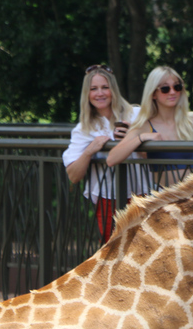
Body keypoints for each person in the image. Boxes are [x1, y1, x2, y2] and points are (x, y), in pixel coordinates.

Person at [62, 64, 149, 244]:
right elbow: (73, 175)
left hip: (144, 195)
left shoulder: (137, 114)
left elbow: (155, 156)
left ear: (113, 90)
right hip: (109, 201)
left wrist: (132, 139)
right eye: (94, 89)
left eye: (105, 87)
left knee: (146, 251)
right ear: (87, 94)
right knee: (115, 253)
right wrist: (89, 151)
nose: (100, 93)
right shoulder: (83, 129)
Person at [107, 66, 193, 189]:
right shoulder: (145, 126)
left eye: (177, 87)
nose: (172, 92)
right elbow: (112, 159)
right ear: (153, 94)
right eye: (165, 88)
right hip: (163, 198)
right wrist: (141, 138)